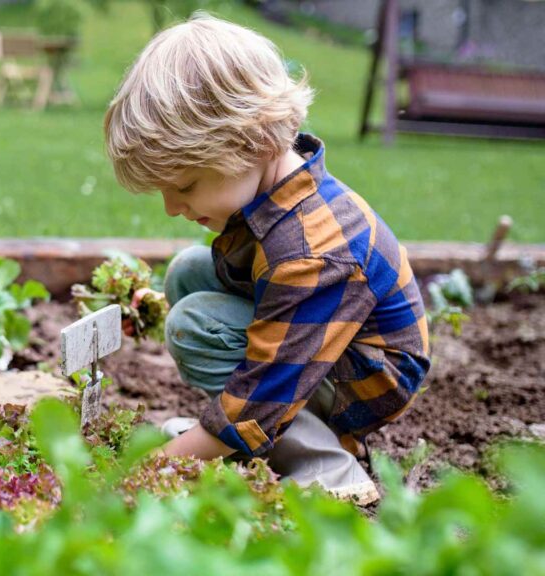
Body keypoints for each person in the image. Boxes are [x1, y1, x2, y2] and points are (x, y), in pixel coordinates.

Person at [103, 14, 431, 505]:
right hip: (328, 351)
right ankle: (244, 436)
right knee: (189, 274)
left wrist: (157, 467)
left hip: (360, 382)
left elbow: (270, 381)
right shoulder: (274, 187)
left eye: (185, 186)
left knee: (194, 326)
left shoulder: (312, 251)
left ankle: (325, 463)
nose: (172, 207)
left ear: (252, 142)